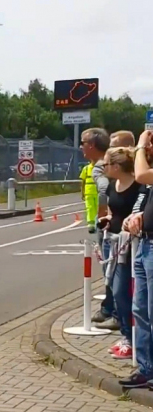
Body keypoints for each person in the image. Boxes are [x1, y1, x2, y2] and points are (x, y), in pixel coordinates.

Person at [99, 147, 143, 359]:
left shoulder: (138, 186)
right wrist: (107, 220)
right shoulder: (111, 186)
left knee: (124, 292)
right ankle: (127, 336)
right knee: (116, 291)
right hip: (114, 243)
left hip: (131, 245)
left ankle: (133, 340)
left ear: (116, 166)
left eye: (106, 165)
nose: (103, 168)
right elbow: (112, 211)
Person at [119, 130, 153, 388]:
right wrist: (138, 214)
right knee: (140, 310)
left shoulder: (146, 172)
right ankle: (145, 368)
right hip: (145, 242)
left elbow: (140, 174)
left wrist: (140, 145)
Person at [81, 128, 117, 327]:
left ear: (92, 145)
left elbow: (103, 190)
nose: (81, 147)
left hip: (109, 223)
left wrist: (103, 212)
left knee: (111, 267)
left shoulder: (101, 166)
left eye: (83, 143)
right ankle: (109, 307)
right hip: (105, 221)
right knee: (110, 268)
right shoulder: (98, 165)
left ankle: (113, 311)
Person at [79, 162, 97, 233]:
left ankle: (98, 223)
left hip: (98, 192)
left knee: (98, 207)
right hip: (88, 192)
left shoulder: (100, 168)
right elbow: (82, 182)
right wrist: (82, 192)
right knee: (90, 208)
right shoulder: (86, 169)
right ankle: (91, 225)